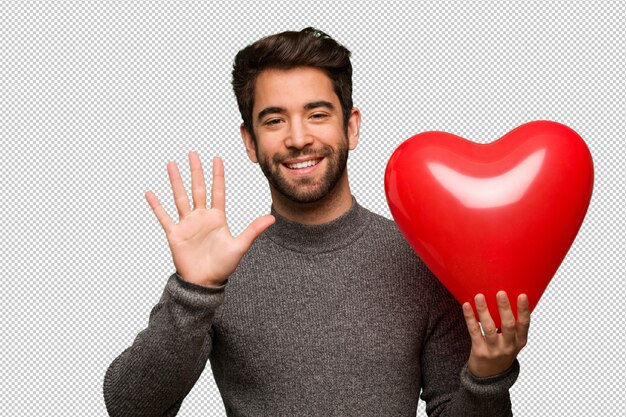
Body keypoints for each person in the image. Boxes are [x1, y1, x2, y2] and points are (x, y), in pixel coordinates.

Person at [103, 27, 530, 417]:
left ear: (352, 126)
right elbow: (130, 409)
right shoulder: (218, 267)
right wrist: (194, 293)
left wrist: (486, 378)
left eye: (318, 114)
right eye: (274, 120)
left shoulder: (418, 259)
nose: (298, 138)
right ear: (250, 142)